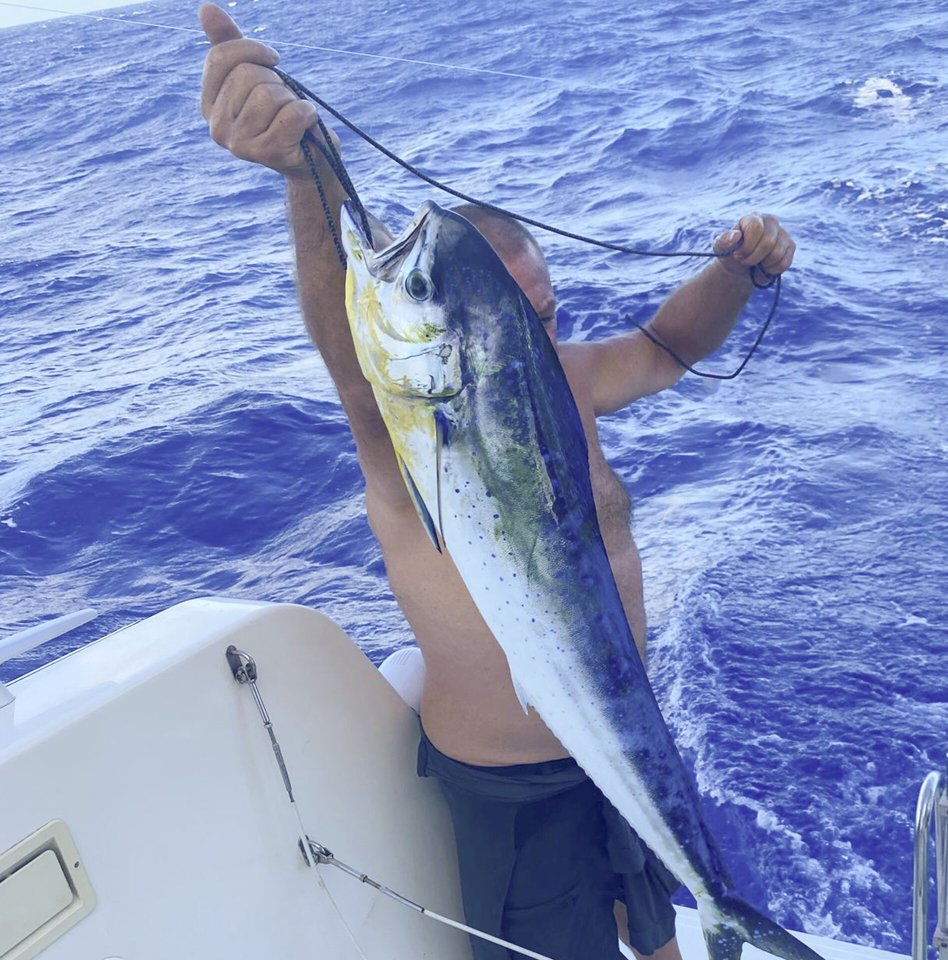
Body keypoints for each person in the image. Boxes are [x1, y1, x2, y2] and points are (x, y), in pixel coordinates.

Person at [198, 6, 796, 958]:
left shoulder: (566, 378)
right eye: (498, 319)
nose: (525, 341)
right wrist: (303, 174)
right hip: (515, 786)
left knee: (663, 933)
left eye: (542, 316)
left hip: (627, 739)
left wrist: (739, 273)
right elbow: (359, 366)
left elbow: (666, 345)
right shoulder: (403, 431)